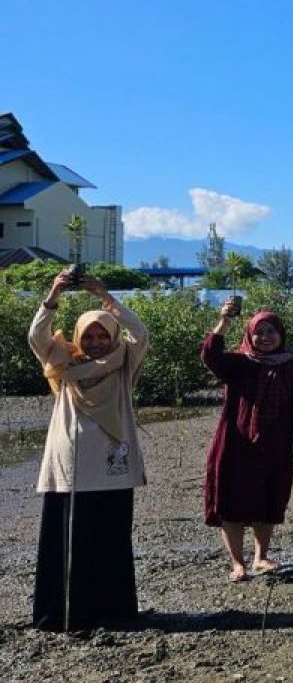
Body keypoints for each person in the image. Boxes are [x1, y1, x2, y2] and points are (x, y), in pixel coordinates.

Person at [28, 269, 150, 630]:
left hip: (113, 464)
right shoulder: (62, 359)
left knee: (110, 540)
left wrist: (104, 296)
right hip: (72, 464)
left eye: (102, 334)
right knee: (68, 542)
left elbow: (140, 332)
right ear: (79, 337)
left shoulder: (125, 360)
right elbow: (36, 334)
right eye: (90, 335)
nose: (96, 342)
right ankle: (65, 614)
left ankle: (113, 611)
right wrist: (53, 294)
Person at [201, 304, 293, 582]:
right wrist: (224, 320)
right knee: (230, 500)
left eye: (271, 331)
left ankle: (261, 556)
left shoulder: (292, 365)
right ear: (249, 334)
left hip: (275, 443)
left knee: (268, 496)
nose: (265, 337)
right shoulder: (238, 362)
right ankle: (238, 563)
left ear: (281, 334)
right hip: (234, 443)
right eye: (258, 332)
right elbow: (210, 354)